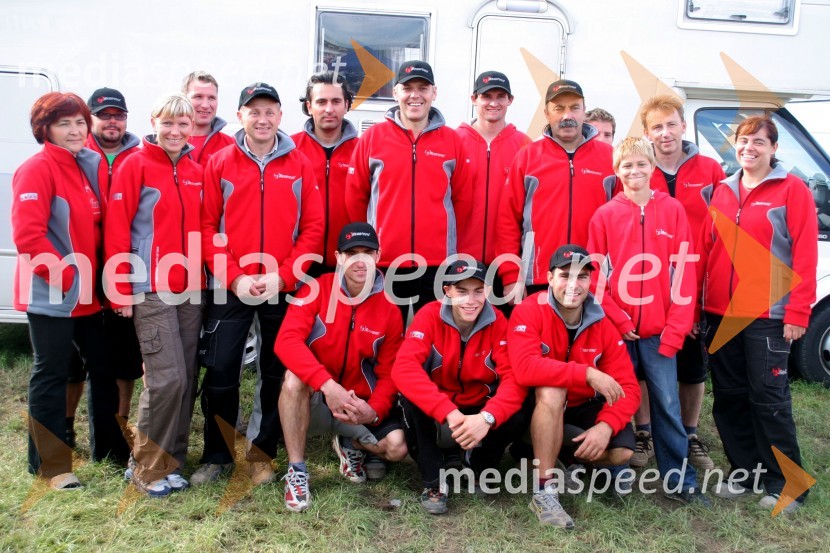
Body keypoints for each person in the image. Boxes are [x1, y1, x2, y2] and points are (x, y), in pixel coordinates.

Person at [195, 82, 324, 487]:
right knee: (220, 371)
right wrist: (234, 277)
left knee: (274, 372)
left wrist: (282, 277)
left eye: (270, 111)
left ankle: (261, 454)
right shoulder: (219, 162)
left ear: (281, 116)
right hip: (230, 285)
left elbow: (314, 229)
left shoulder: (301, 163)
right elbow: (204, 228)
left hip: (281, 286)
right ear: (240, 116)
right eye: (254, 111)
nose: (262, 119)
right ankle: (216, 455)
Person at [699, 115, 816, 513]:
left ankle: (789, 482)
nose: (749, 147)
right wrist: (699, 303)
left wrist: (798, 311)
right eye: (744, 140)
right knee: (730, 397)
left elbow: (805, 253)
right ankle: (743, 471)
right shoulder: (722, 190)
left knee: (769, 398)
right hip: (719, 312)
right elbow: (707, 249)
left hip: (768, 314)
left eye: (759, 142)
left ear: (773, 148)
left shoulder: (792, 190)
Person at [587, 137, 707, 507]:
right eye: (627, 166)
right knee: (616, 402)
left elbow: (685, 275)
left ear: (653, 167)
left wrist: (675, 330)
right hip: (618, 332)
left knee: (667, 405)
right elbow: (595, 276)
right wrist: (619, 320)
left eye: (642, 164)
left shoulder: (672, 211)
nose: (635, 171)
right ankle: (614, 476)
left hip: (661, 334)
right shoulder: (605, 215)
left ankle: (680, 479)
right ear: (616, 171)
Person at [12, 92, 123, 489]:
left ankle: (110, 452)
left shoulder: (88, 164)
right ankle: (52, 466)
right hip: (52, 294)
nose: (76, 130)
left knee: (103, 371)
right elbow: (29, 236)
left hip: (90, 295)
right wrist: (65, 278)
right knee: (52, 375)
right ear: (46, 130)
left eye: (80, 122)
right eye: (65, 124)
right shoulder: (37, 169)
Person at [105, 93, 204, 496]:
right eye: (168, 123)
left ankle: (171, 461)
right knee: (165, 380)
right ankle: (145, 466)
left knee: (185, 380)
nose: (176, 131)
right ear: (154, 122)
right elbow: (116, 228)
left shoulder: (197, 170)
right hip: (150, 287)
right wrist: (120, 290)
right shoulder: (134, 165)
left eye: (183, 124)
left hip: (191, 289)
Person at [276, 223, 407, 512]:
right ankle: (297, 471)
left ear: (378, 255)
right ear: (338, 257)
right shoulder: (315, 289)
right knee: (293, 378)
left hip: (356, 405)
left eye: (367, 252)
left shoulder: (390, 309)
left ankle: (351, 445)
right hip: (316, 399)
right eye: (351, 253)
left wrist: (375, 410)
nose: (360, 260)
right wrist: (327, 385)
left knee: (397, 448)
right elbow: (286, 342)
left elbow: (390, 373)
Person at [508, 245, 640, 529]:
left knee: (622, 454)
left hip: (581, 407)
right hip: (533, 408)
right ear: (549, 277)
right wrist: (587, 373)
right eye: (565, 275)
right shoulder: (529, 310)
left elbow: (628, 386)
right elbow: (524, 367)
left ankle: (567, 459)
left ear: (590, 282)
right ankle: (544, 492)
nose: (573, 285)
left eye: (581, 277)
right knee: (552, 388)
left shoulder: (602, 322)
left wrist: (606, 426)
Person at [629, 95, 725, 471]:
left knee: (691, 365)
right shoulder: (640, 170)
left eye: (671, 124)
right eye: (656, 126)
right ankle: (644, 430)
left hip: (695, 286)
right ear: (646, 132)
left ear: (684, 126)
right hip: (647, 289)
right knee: (645, 365)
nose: (665, 133)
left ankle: (690, 432)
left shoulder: (710, 170)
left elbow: (723, 232)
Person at [392, 259, 530, 515]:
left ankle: (477, 466)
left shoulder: (498, 321)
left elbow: (514, 379)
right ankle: (434, 481)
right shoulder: (429, 315)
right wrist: (448, 411)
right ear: (447, 290)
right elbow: (403, 369)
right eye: (462, 291)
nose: (471, 300)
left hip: (478, 403)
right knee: (410, 399)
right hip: (440, 405)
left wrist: (487, 418)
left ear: (487, 290)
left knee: (520, 407)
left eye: (478, 291)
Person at [346, 60, 473, 319]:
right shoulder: (373, 137)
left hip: (437, 262)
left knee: (435, 335)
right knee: (385, 335)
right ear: (396, 94)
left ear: (434, 93)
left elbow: (463, 200)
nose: (415, 95)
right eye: (407, 88)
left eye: (423, 88)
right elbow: (355, 196)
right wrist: (367, 248)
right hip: (386, 260)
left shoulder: (452, 140)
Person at [65, 87, 142, 449]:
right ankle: (65, 425)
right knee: (73, 360)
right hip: (81, 267)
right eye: (104, 115)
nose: (112, 121)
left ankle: (118, 426)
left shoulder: (139, 155)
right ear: (90, 120)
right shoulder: (77, 154)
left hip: (124, 267)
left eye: (119, 115)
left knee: (124, 356)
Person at [495, 80, 613, 305]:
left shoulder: (609, 158)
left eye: (574, 108)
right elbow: (507, 221)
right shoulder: (528, 157)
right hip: (539, 277)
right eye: (558, 108)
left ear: (583, 111)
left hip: (593, 278)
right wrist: (511, 276)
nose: (566, 115)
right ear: (546, 113)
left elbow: (621, 222)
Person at [456, 71, 531, 293]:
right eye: (487, 96)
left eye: (500, 96)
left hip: (507, 264)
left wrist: (514, 270)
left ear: (510, 100)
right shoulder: (454, 141)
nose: (494, 102)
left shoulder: (525, 146)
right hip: (460, 260)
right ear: (474, 99)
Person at [292, 71, 358, 274]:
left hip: (348, 258)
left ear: (347, 105)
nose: (329, 109)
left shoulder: (363, 150)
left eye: (336, 101)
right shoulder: (290, 149)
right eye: (321, 102)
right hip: (298, 259)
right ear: (309, 106)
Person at [182, 71, 234, 166]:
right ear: (183, 99)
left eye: (211, 98)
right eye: (198, 97)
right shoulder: (169, 144)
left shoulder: (231, 146)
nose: (205, 105)